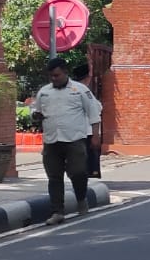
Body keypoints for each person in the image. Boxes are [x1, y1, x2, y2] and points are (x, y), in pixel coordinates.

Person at [30, 58, 101, 225]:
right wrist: (35, 115)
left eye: (57, 75)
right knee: (54, 177)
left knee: (78, 172)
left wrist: (96, 136)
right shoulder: (44, 92)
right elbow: (35, 110)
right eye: (51, 76)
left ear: (65, 72)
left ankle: (81, 200)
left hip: (74, 139)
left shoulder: (80, 90)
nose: (54, 79)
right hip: (52, 140)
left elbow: (93, 113)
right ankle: (57, 212)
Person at [71, 59, 103, 179]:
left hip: (75, 133)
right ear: (87, 77)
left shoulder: (70, 89)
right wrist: (96, 136)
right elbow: (96, 109)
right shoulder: (84, 91)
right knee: (91, 164)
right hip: (88, 132)